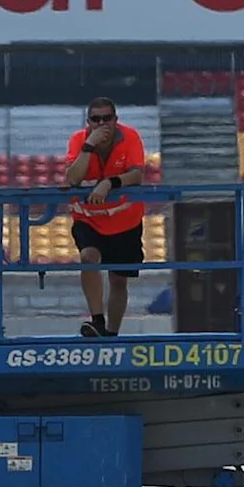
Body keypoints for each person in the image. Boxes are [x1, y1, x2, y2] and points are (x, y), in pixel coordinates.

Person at [68, 97, 152, 336]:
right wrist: (88, 146)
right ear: (88, 122)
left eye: (107, 118)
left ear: (116, 120)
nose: (101, 124)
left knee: (118, 279)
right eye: (96, 119)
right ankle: (96, 320)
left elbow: (136, 174)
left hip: (125, 219)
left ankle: (112, 333)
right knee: (88, 256)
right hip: (88, 217)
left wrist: (109, 183)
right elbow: (72, 178)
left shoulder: (130, 137)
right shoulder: (78, 140)